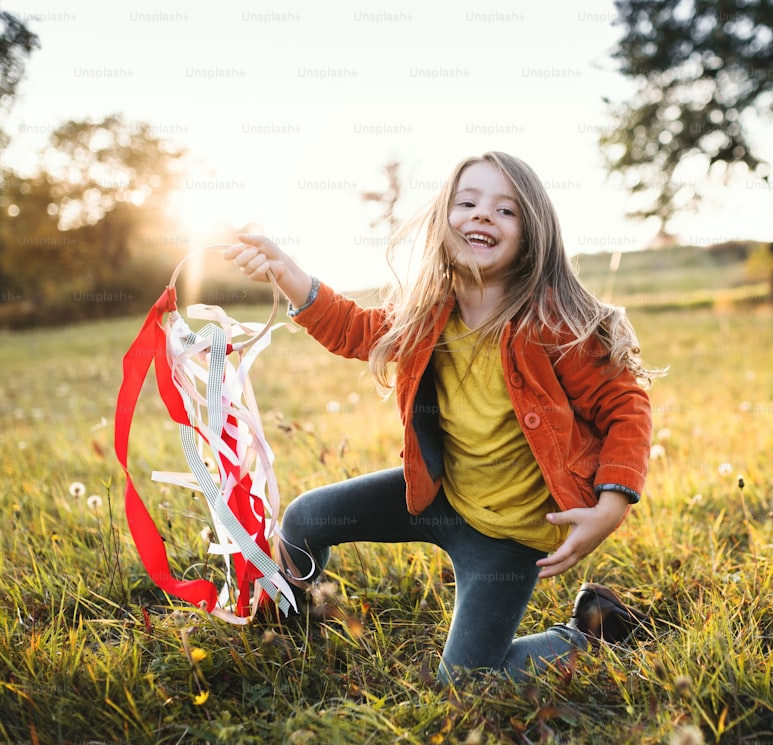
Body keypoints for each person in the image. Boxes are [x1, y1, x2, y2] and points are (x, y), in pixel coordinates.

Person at [223, 151, 661, 686]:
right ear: (443, 219)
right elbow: (355, 329)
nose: (482, 215)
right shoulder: (430, 309)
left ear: (533, 233)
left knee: (466, 683)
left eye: (506, 210)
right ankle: (289, 631)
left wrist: (611, 506)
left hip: (508, 537)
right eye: (468, 202)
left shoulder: (554, 323)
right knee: (307, 518)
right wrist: (290, 275)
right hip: (436, 496)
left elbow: (625, 406)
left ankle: (589, 631)